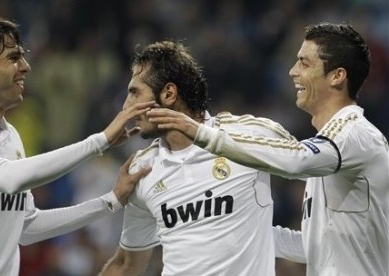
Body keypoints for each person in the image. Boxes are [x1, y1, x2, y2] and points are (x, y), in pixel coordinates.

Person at [0, 10, 154, 276]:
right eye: (13, 58)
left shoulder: (9, 137)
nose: (25, 66)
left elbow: (26, 226)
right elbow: (7, 178)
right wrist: (99, 142)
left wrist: (111, 200)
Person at [147, 23, 389, 275]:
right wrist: (231, 228)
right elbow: (315, 246)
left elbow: (297, 160)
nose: (293, 72)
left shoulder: (354, 133)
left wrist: (202, 134)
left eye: (304, 63)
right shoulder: (334, 147)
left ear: (337, 76)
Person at [99, 40, 295, 276]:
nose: (125, 106)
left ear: (169, 94)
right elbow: (126, 266)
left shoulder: (250, 135)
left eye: (134, 93)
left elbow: (318, 167)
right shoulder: (142, 170)